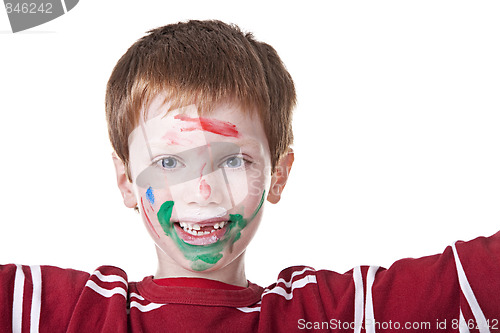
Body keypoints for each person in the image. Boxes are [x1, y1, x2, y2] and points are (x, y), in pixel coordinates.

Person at [1, 19, 499, 332]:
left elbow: (475, 282)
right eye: (169, 162)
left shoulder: (322, 318)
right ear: (126, 179)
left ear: (278, 174)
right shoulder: (59, 314)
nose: (203, 193)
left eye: (233, 161)